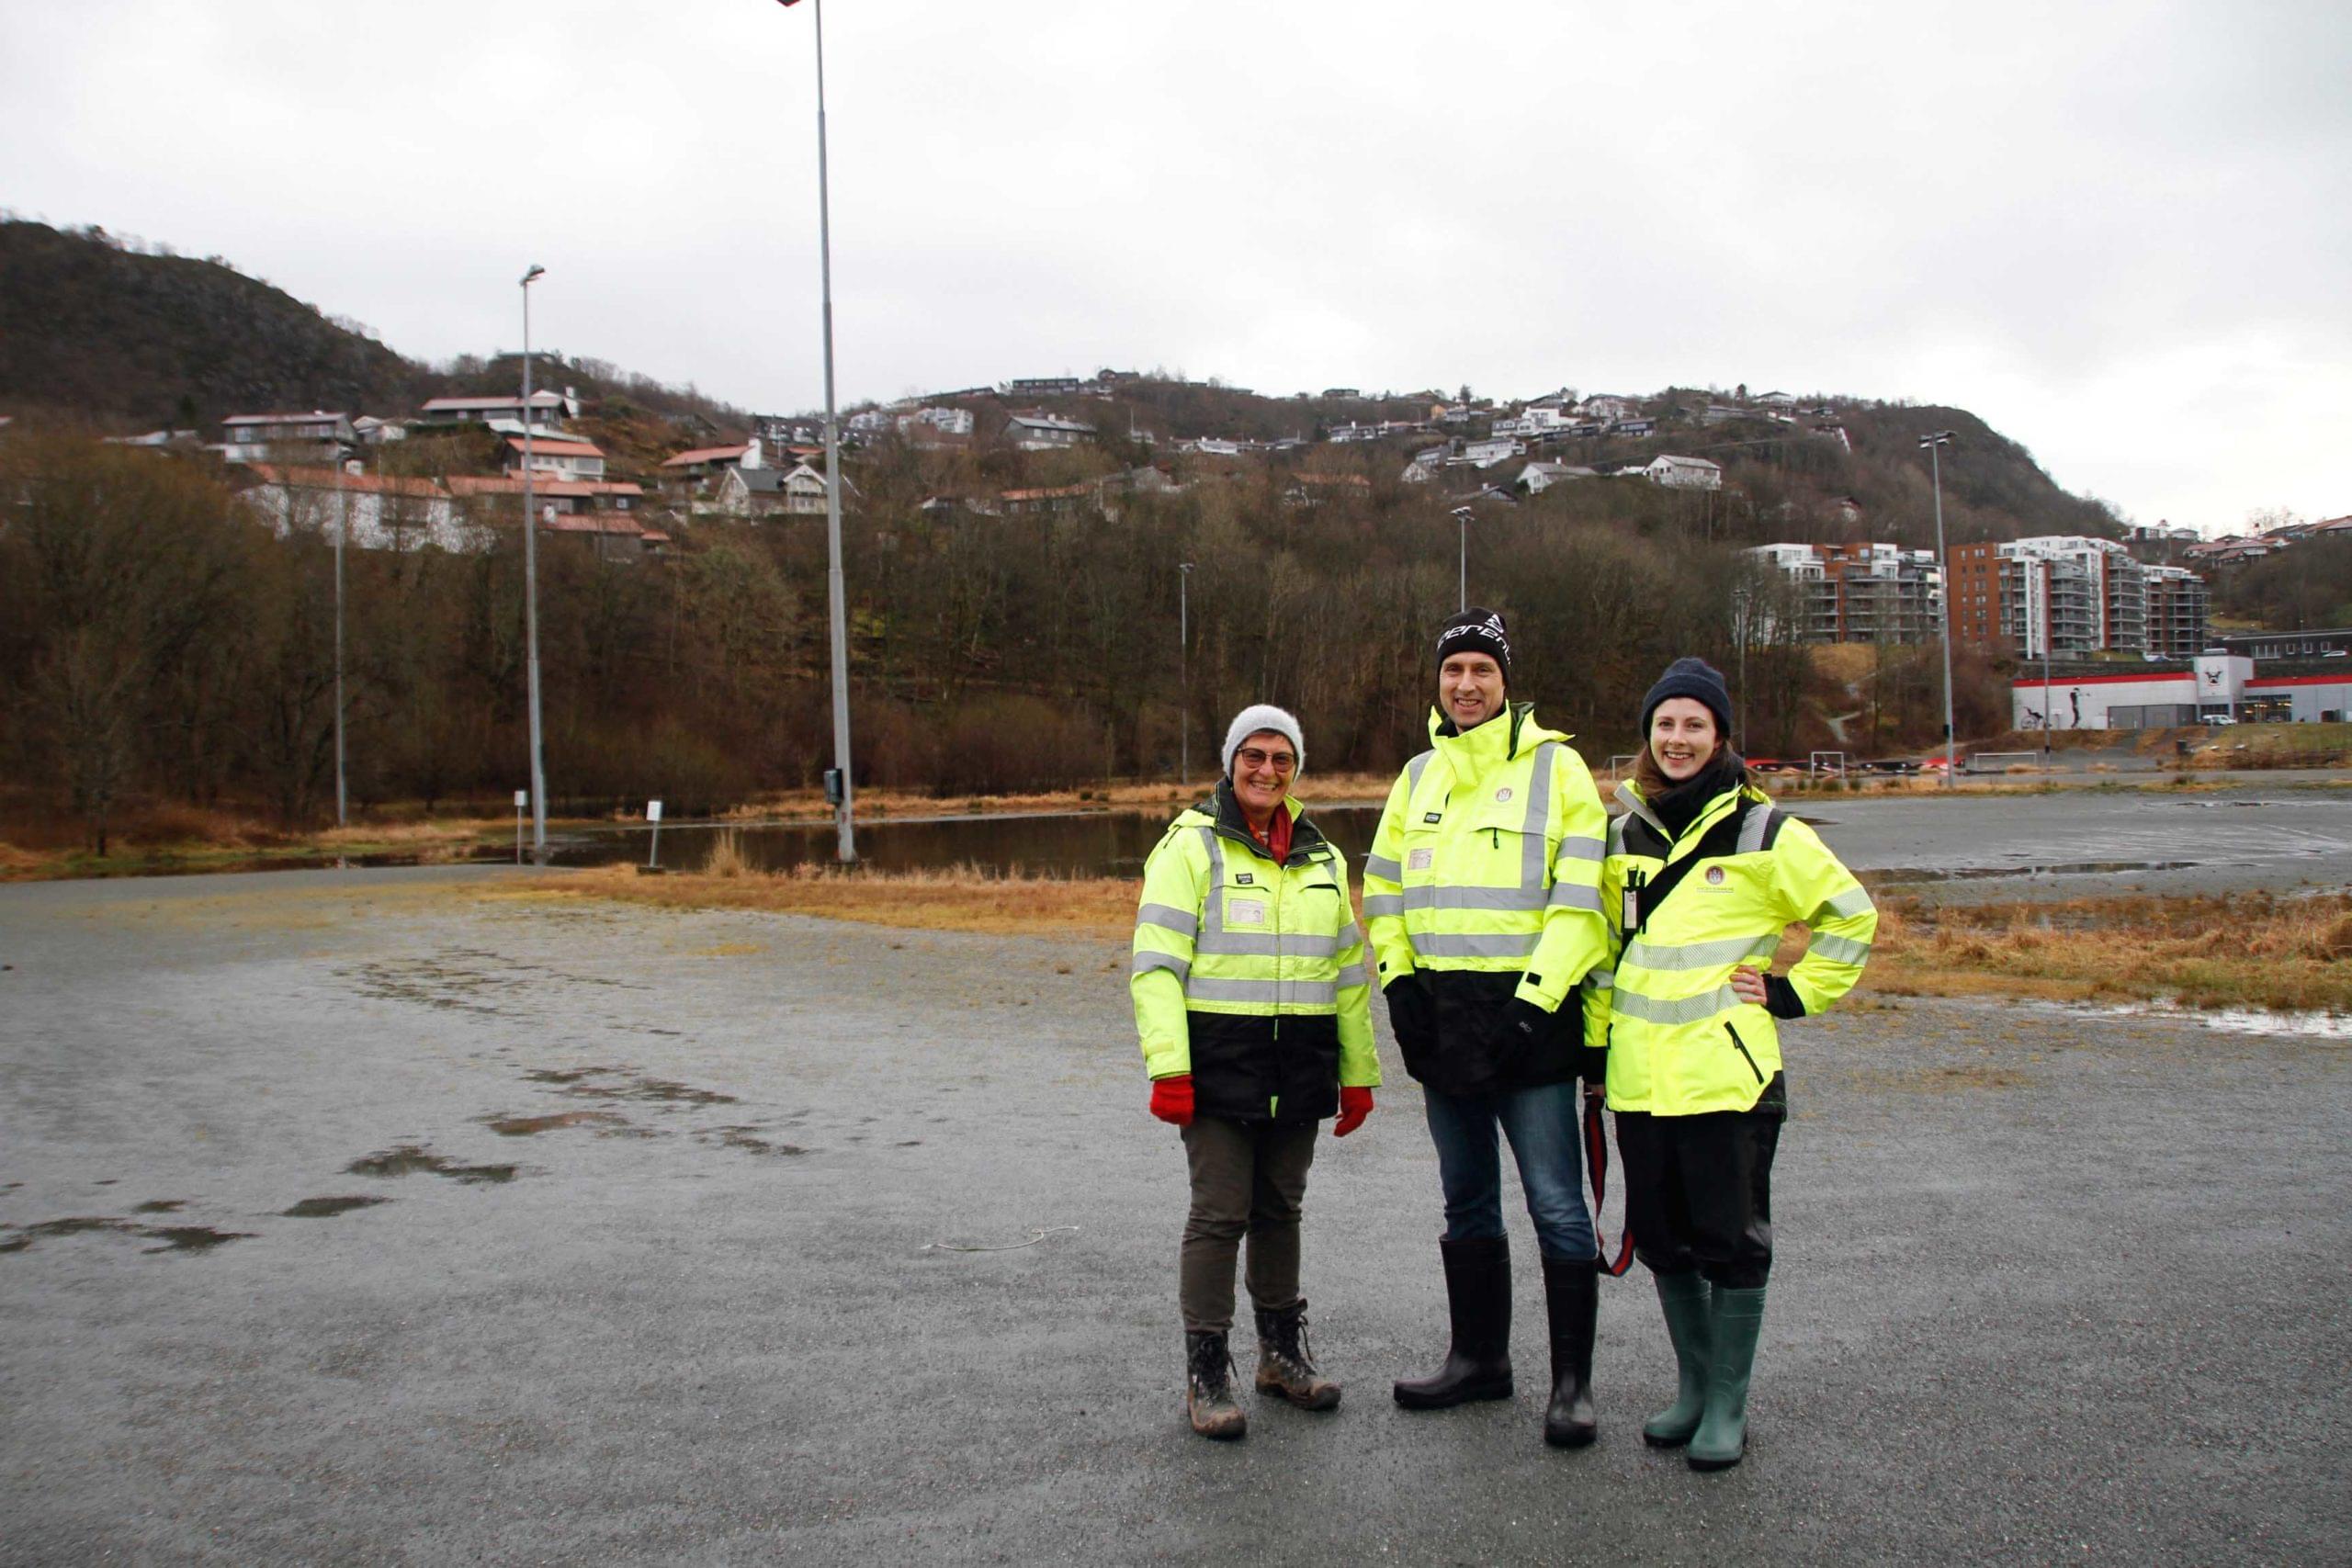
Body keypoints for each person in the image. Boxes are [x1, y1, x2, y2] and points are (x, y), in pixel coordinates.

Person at [1587, 657, 1875, 1471]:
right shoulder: (1621, 834)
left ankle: (1728, 1404)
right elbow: (1608, 956)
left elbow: (1851, 915)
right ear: (1648, 733)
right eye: (1665, 724)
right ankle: (1694, 1386)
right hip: (1641, 1080)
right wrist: (1597, 1051)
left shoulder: (1765, 831)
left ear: (1719, 737)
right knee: (1666, 1243)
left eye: (1694, 725)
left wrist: (1791, 993)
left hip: (1727, 1079)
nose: (1677, 739)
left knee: (1731, 1241)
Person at [1363, 610, 1612, 1448]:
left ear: (1506, 680)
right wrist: (1398, 985)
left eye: (1481, 669)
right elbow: (1384, 891)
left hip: (1528, 1029)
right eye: (1452, 670)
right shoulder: (1416, 777)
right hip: (1444, 1026)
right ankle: (1479, 1360)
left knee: (1556, 1204)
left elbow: (1583, 906)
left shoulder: (1560, 770)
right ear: (1436, 682)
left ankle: (1572, 1386)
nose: (1465, 684)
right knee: (1466, 1200)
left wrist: (1532, 1004)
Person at [1131, 704, 1379, 1440]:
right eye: (1254, 754)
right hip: (1216, 1071)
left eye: (1281, 758)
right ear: (1230, 759)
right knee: (1219, 1215)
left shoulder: (1322, 856)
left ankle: (1279, 1357)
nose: (1266, 769)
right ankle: (1207, 1373)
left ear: (1296, 768)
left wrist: (1358, 1073)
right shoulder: (1190, 847)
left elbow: (1347, 979)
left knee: (1280, 1210)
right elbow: (1155, 969)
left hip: (1298, 1071)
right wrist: (1169, 1068)